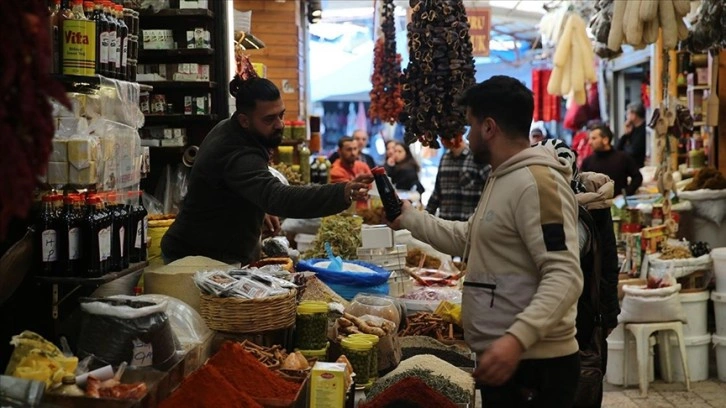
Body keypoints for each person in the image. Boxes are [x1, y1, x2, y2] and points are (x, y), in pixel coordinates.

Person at [389, 76, 583, 408]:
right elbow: (469, 238)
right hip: (508, 361)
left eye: (470, 126)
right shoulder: (503, 177)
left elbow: (565, 275)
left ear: (489, 127)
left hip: (536, 367)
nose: (466, 135)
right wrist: (408, 217)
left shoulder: (537, 183)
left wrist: (515, 341)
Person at [160, 76, 372, 265]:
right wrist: (341, 192)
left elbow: (231, 187)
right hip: (195, 260)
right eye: (269, 119)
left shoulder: (233, 128)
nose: (280, 124)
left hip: (213, 253)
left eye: (281, 115)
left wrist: (258, 207)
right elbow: (278, 197)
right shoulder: (237, 151)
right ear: (244, 120)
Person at [425, 134, 491, 221]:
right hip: (445, 224)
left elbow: (491, 189)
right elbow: (437, 193)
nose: (444, 142)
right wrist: (425, 217)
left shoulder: (477, 159)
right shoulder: (445, 158)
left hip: (468, 225)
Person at [582, 124, 643, 196]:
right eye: (589, 139)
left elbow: (637, 177)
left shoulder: (622, 158)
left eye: (594, 138)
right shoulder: (587, 161)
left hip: (618, 204)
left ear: (605, 140)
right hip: (595, 204)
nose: (589, 142)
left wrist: (625, 193)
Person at [330, 136, 372, 210]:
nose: (353, 153)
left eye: (355, 149)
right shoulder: (335, 171)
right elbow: (351, 192)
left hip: (366, 210)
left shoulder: (363, 165)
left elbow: (372, 188)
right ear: (339, 151)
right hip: (346, 212)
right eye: (349, 150)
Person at [617, 102, 647, 168]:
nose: (626, 116)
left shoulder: (643, 130)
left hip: (638, 166)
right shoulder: (632, 128)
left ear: (634, 115)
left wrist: (625, 149)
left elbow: (633, 151)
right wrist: (625, 134)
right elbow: (617, 149)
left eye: (628, 113)